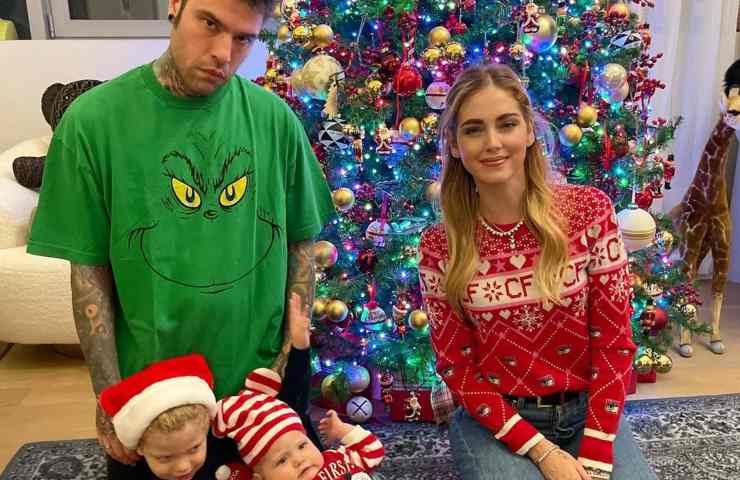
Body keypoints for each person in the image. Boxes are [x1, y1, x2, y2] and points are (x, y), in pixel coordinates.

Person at [27, 0, 335, 477]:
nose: (223, 53)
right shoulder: (92, 123)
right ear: (175, 6)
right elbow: (88, 274)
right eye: (209, 23)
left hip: (262, 401)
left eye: (243, 38)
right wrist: (109, 396)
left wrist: (285, 363)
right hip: (154, 408)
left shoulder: (276, 121)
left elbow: (301, 247)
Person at [417, 64, 656, 480]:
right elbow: (457, 368)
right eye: (473, 130)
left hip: (588, 410)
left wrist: (596, 458)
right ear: (454, 145)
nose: (493, 143)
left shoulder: (589, 212)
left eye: (507, 124)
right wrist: (543, 453)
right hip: (497, 421)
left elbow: (615, 344)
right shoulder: (439, 247)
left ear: (528, 131)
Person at [212, 368, 385, 480]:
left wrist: (342, 430)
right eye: (282, 460)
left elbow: (374, 452)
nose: (299, 459)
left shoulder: (336, 459)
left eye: (302, 445)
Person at [99, 354, 219, 480]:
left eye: (194, 448)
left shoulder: (222, 449)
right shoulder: (125, 470)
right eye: (165, 458)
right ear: (139, 448)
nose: (183, 467)